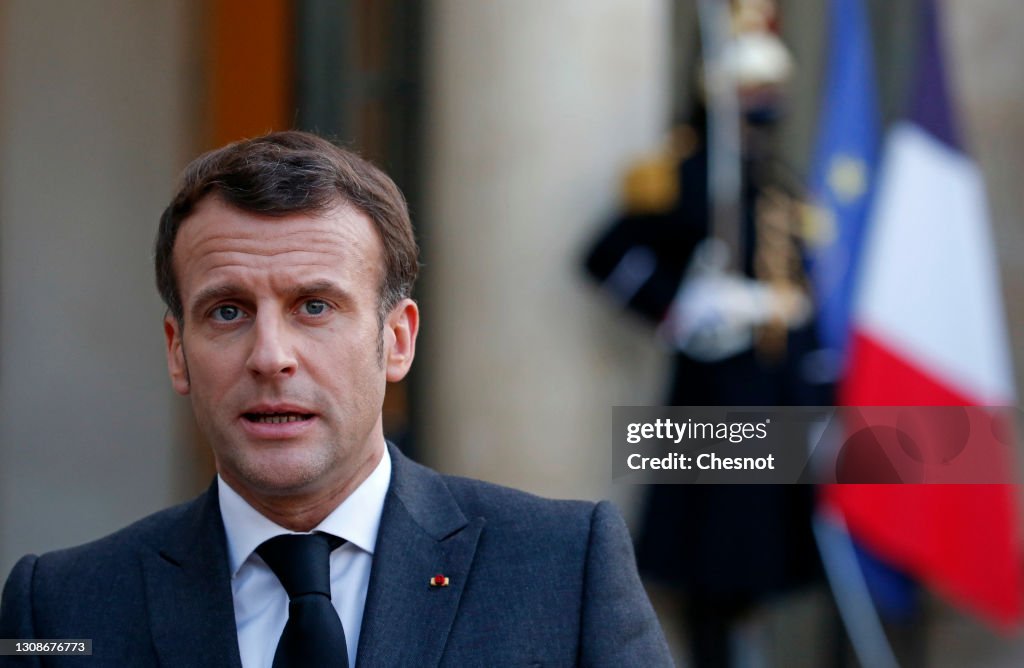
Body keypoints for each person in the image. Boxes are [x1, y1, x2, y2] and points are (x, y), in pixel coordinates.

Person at [0, 131, 672, 667]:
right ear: (177, 350)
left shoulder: (562, 567)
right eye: (228, 311)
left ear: (398, 340)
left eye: (315, 306)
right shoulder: (59, 609)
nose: (270, 356)